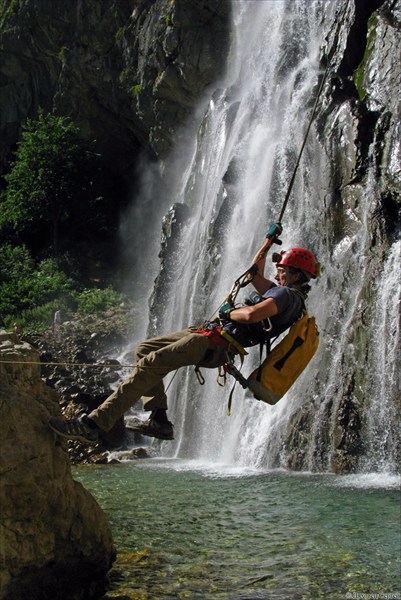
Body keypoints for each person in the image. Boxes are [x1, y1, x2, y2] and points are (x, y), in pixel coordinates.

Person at [49, 224, 319, 444]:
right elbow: (253, 274)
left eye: (282, 269)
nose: (277, 272)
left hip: (215, 343)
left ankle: (95, 424)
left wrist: (228, 314)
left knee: (149, 364)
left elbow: (251, 315)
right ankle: (159, 420)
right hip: (211, 337)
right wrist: (267, 241)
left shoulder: (285, 295)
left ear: (296, 275)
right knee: (145, 349)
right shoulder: (284, 294)